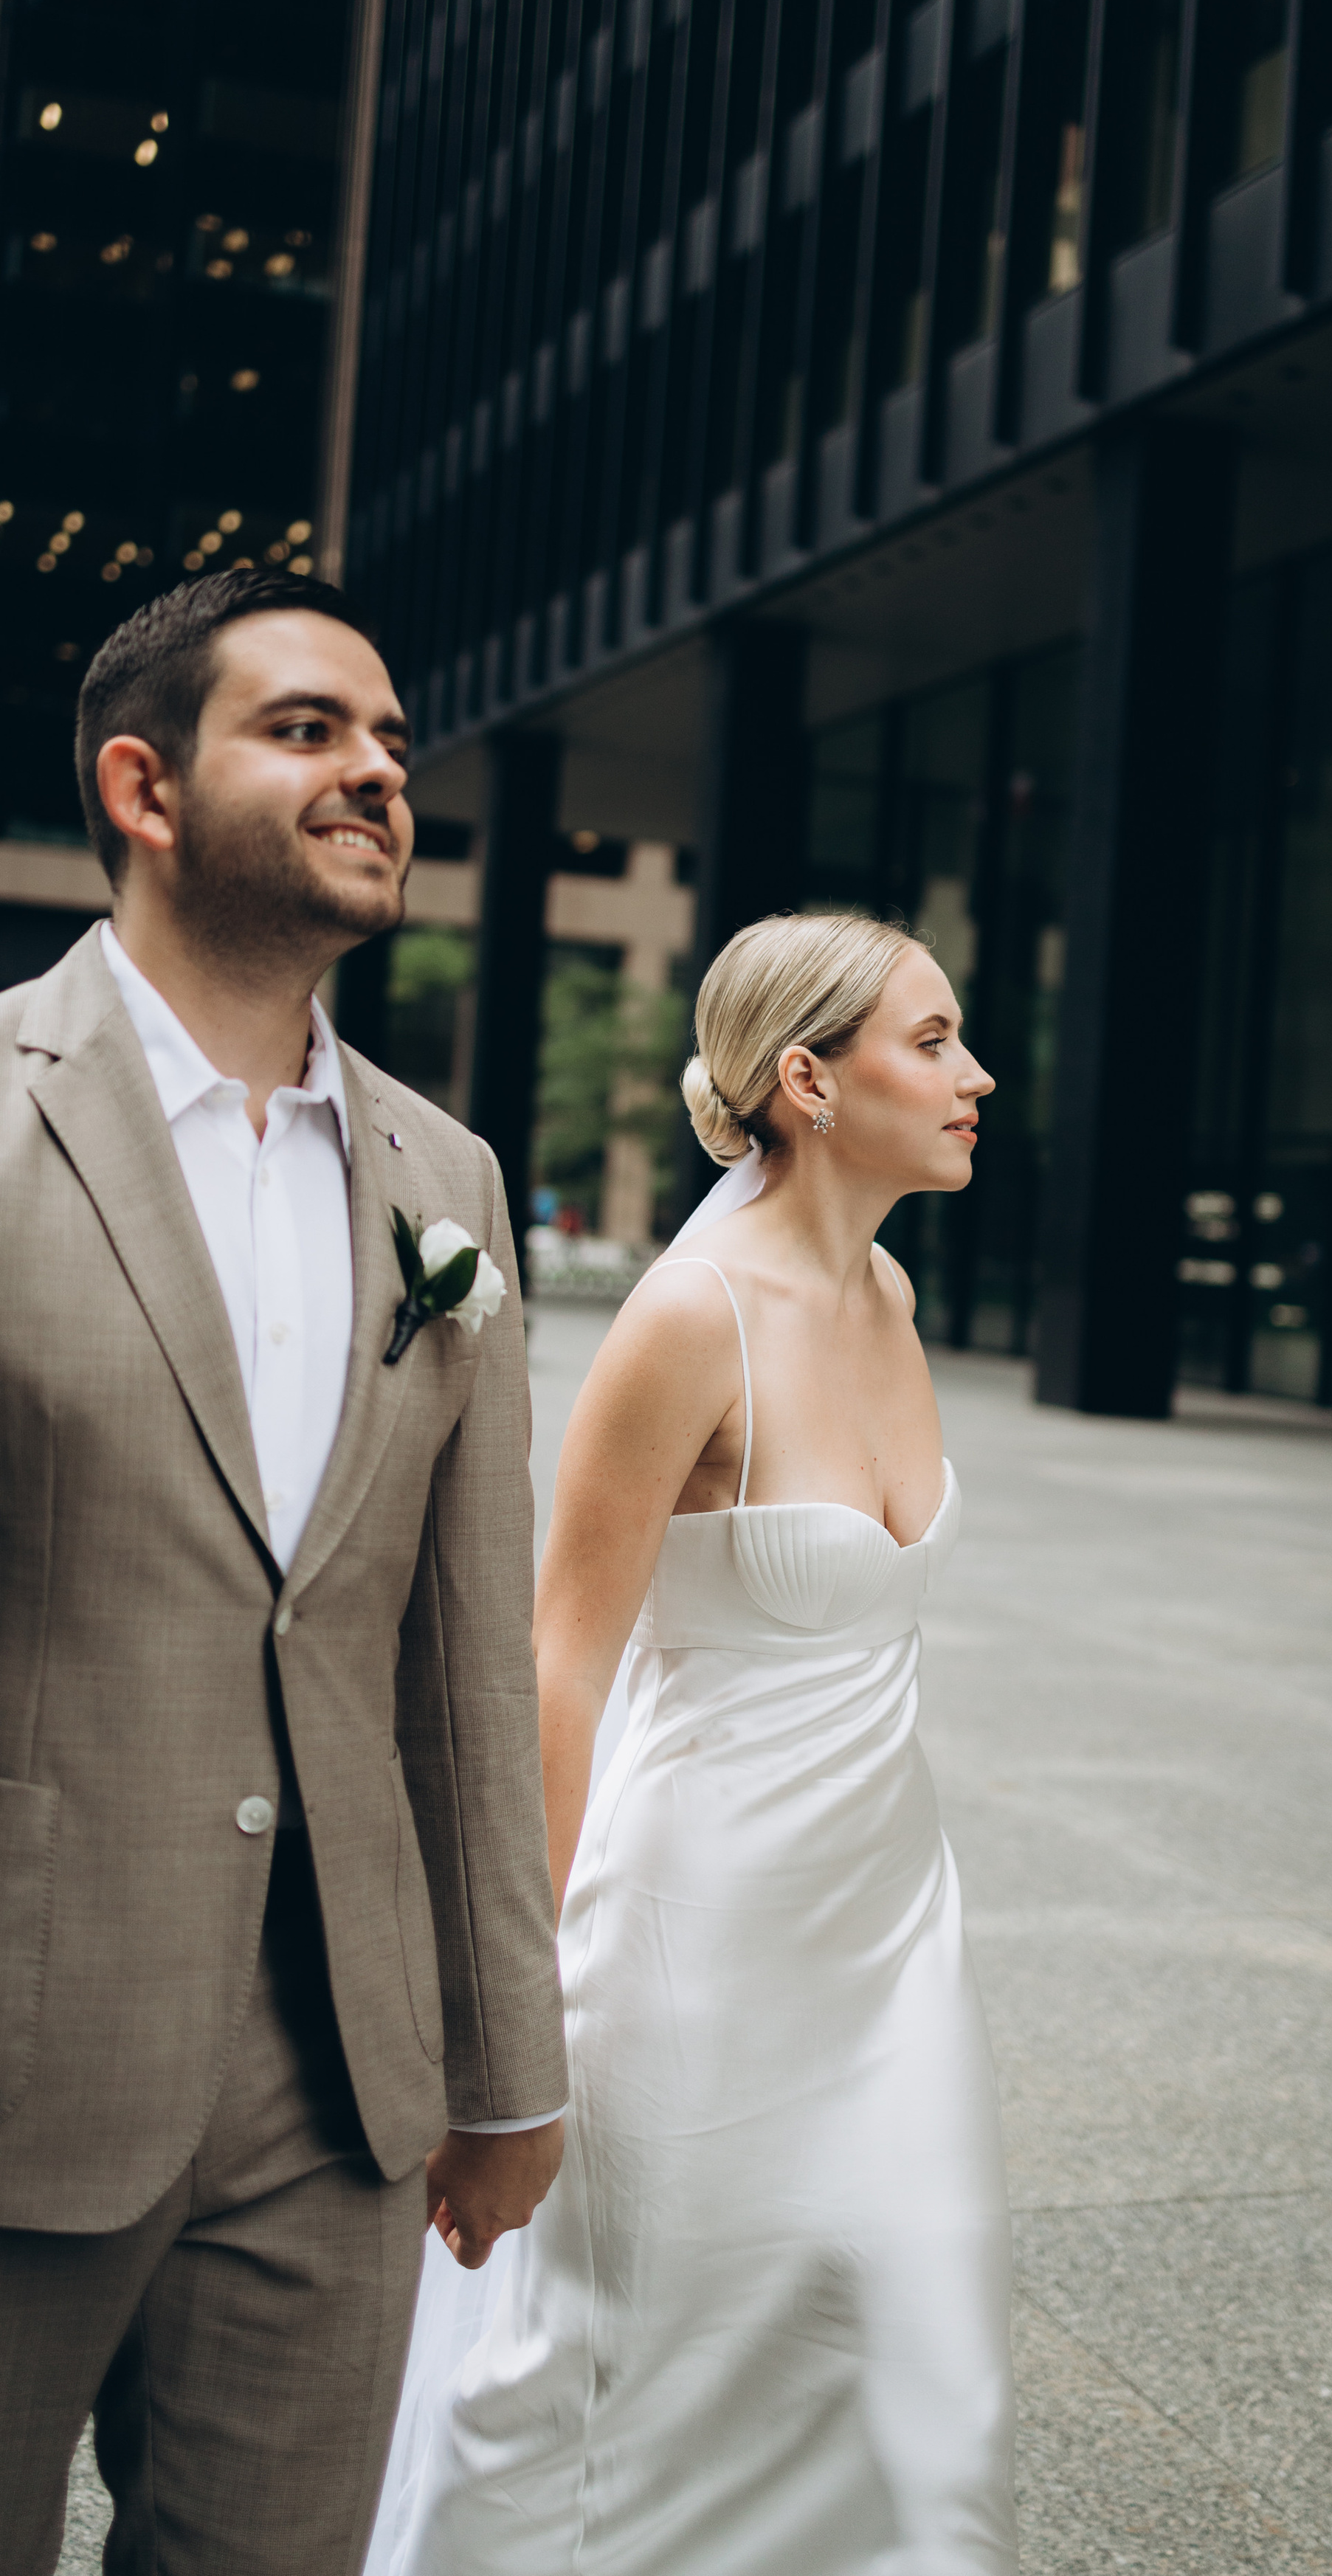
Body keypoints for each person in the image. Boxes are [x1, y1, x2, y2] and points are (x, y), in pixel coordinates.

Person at [0, 567, 567, 2575]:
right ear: (144, 784)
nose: (377, 769)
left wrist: (505, 2059)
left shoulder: (443, 1186)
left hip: (335, 2097)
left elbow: (459, 1662)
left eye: (387, 739)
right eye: (306, 730)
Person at [376, 911, 1016, 2576]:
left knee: (901, 2355)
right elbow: (557, 1666)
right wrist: (502, 2029)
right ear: (805, 1079)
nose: (977, 1076)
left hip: (885, 1935)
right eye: (933, 1040)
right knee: (612, 2361)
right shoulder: (687, 1317)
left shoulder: (885, 1291)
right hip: (689, 1930)